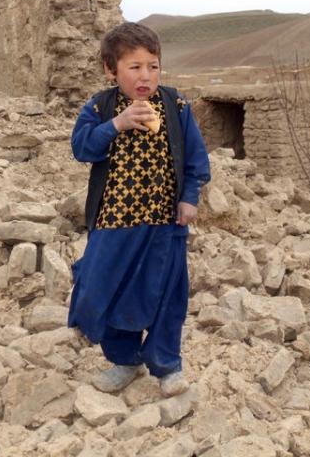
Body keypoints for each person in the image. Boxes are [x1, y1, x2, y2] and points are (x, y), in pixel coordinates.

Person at [68, 21, 211, 397]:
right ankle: (125, 360)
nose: (145, 76)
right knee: (104, 289)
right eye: (134, 67)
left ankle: (167, 366)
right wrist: (116, 124)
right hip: (113, 222)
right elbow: (82, 148)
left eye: (153, 65)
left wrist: (189, 198)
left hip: (165, 223)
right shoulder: (100, 107)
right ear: (110, 70)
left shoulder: (175, 105)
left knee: (166, 294)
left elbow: (195, 158)